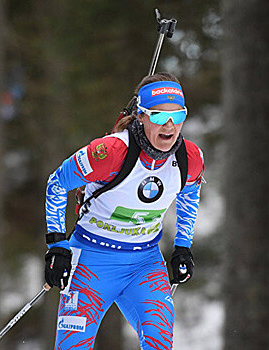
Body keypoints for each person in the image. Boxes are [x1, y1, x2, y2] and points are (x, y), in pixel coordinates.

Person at [44, 72, 204, 350]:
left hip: (144, 264)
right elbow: (57, 183)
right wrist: (57, 245)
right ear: (141, 115)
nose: (169, 125)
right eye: (157, 116)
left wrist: (182, 247)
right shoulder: (110, 152)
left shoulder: (188, 158)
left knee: (160, 341)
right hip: (91, 264)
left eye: (178, 116)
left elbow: (190, 195)